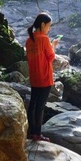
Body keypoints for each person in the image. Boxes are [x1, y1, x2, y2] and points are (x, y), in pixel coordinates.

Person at [25, 12, 60, 142]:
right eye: (49, 26)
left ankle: (32, 132)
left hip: (34, 77)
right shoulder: (44, 39)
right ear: (43, 24)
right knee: (40, 107)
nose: (49, 29)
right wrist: (54, 45)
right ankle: (38, 134)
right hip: (45, 77)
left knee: (33, 104)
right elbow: (51, 57)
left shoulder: (29, 40)